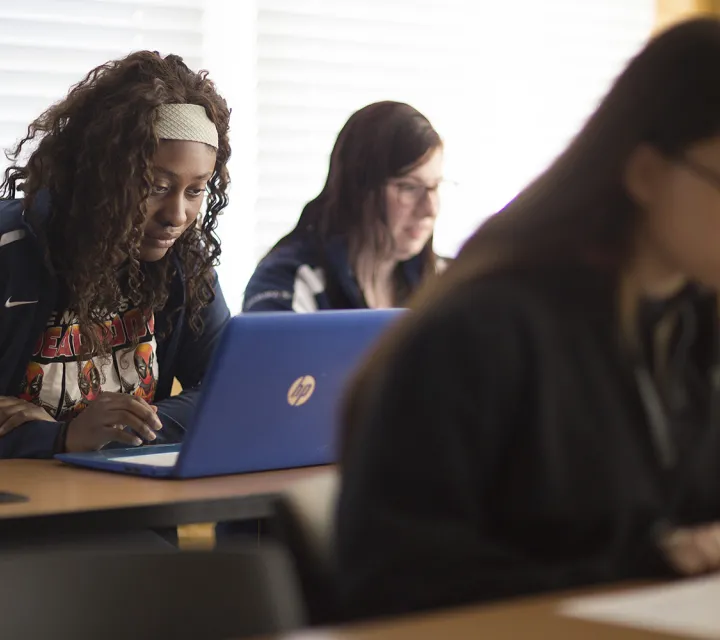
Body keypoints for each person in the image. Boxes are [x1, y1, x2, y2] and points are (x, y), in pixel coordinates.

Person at [336, 17, 720, 621]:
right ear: (645, 173)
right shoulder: (484, 332)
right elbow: (392, 585)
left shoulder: (692, 324)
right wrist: (652, 564)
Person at [0, 51, 231, 459]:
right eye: (156, 187)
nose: (177, 216)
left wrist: (114, 428)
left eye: (195, 190)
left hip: (134, 506)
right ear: (100, 177)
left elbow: (230, 388)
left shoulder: (184, 262)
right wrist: (61, 438)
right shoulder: (11, 250)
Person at [242, 101, 446, 312]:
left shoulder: (446, 281)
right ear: (359, 187)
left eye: (436, 186)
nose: (430, 209)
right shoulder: (290, 282)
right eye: (409, 187)